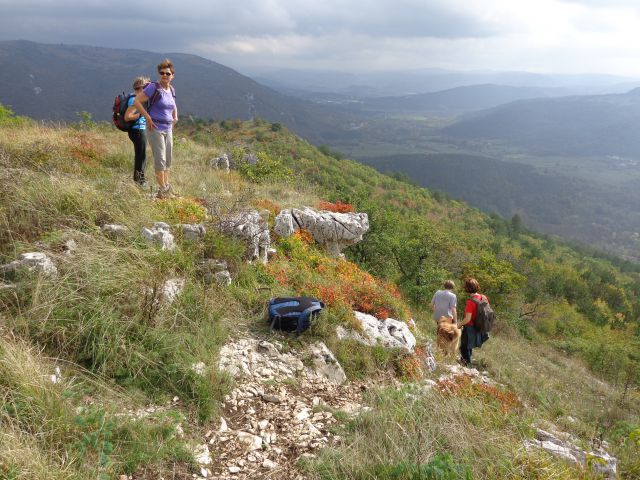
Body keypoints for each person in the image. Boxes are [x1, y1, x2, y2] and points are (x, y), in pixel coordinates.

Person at [133, 59, 178, 199]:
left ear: (172, 75)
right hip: (155, 128)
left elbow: (173, 104)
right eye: (162, 73)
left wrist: (175, 116)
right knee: (160, 160)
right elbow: (137, 101)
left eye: (167, 73)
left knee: (168, 160)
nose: (164, 75)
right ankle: (163, 190)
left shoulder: (171, 89)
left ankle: (166, 187)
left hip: (168, 127)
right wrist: (147, 117)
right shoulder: (154, 87)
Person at [457, 277, 490, 366]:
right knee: (469, 345)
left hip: (470, 327)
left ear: (467, 288)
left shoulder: (470, 302)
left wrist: (459, 325)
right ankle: (467, 361)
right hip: (480, 325)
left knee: (464, 347)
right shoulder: (484, 297)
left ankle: (466, 364)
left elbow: (467, 319)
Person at [124, 76, 150, 187]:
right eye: (147, 87)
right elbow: (127, 116)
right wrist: (142, 114)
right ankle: (140, 181)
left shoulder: (135, 98)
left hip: (137, 130)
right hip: (138, 130)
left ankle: (139, 180)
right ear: (141, 87)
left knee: (140, 155)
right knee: (141, 156)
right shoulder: (134, 100)